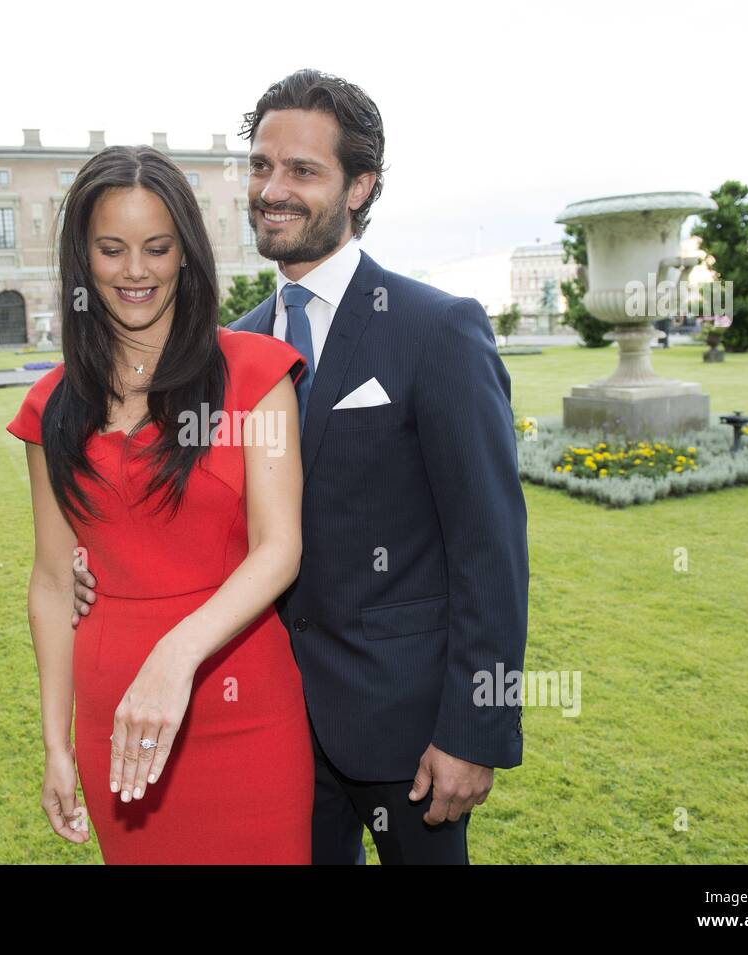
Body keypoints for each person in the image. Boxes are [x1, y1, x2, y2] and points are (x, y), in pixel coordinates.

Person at [73, 69, 530, 865]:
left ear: (360, 187)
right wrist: (87, 564)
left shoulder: (436, 330)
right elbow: (186, 510)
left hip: (408, 730)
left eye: (302, 171)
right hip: (264, 723)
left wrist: (474, 729)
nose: (271, 189)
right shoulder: (223, 354)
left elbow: (491, 547)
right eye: (260, 166)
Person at [6, 143, 314, 864]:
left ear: (186, 254)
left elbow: (280, 547)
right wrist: (55, 741)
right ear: (83, 260)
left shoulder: (254, 373)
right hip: (117, 723)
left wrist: (175, 653)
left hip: (245, 711)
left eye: (156, 247)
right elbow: (53, 581)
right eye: (111, 250)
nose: (135, 271)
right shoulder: (50, 406)